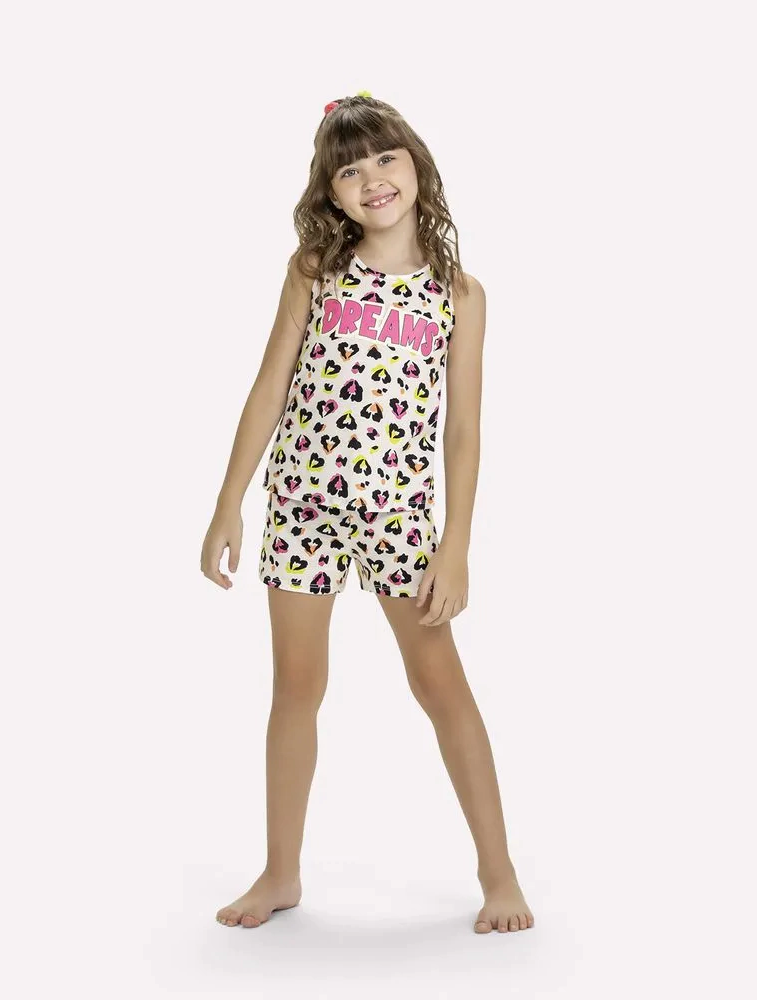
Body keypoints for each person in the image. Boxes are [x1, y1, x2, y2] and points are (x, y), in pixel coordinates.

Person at [202, 91, 534, 935]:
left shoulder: (460, 295)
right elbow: (269, 387)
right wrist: (228, 501)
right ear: (331, 191)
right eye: (349, 170)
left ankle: (499, 874)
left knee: (440, 684)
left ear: (416, 166)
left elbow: (464, 431)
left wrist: (456, 546)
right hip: (302, 506)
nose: (372, 179)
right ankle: (281, 872)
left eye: (386, 158)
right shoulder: (315, 270)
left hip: (400, 520)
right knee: (296, 687)